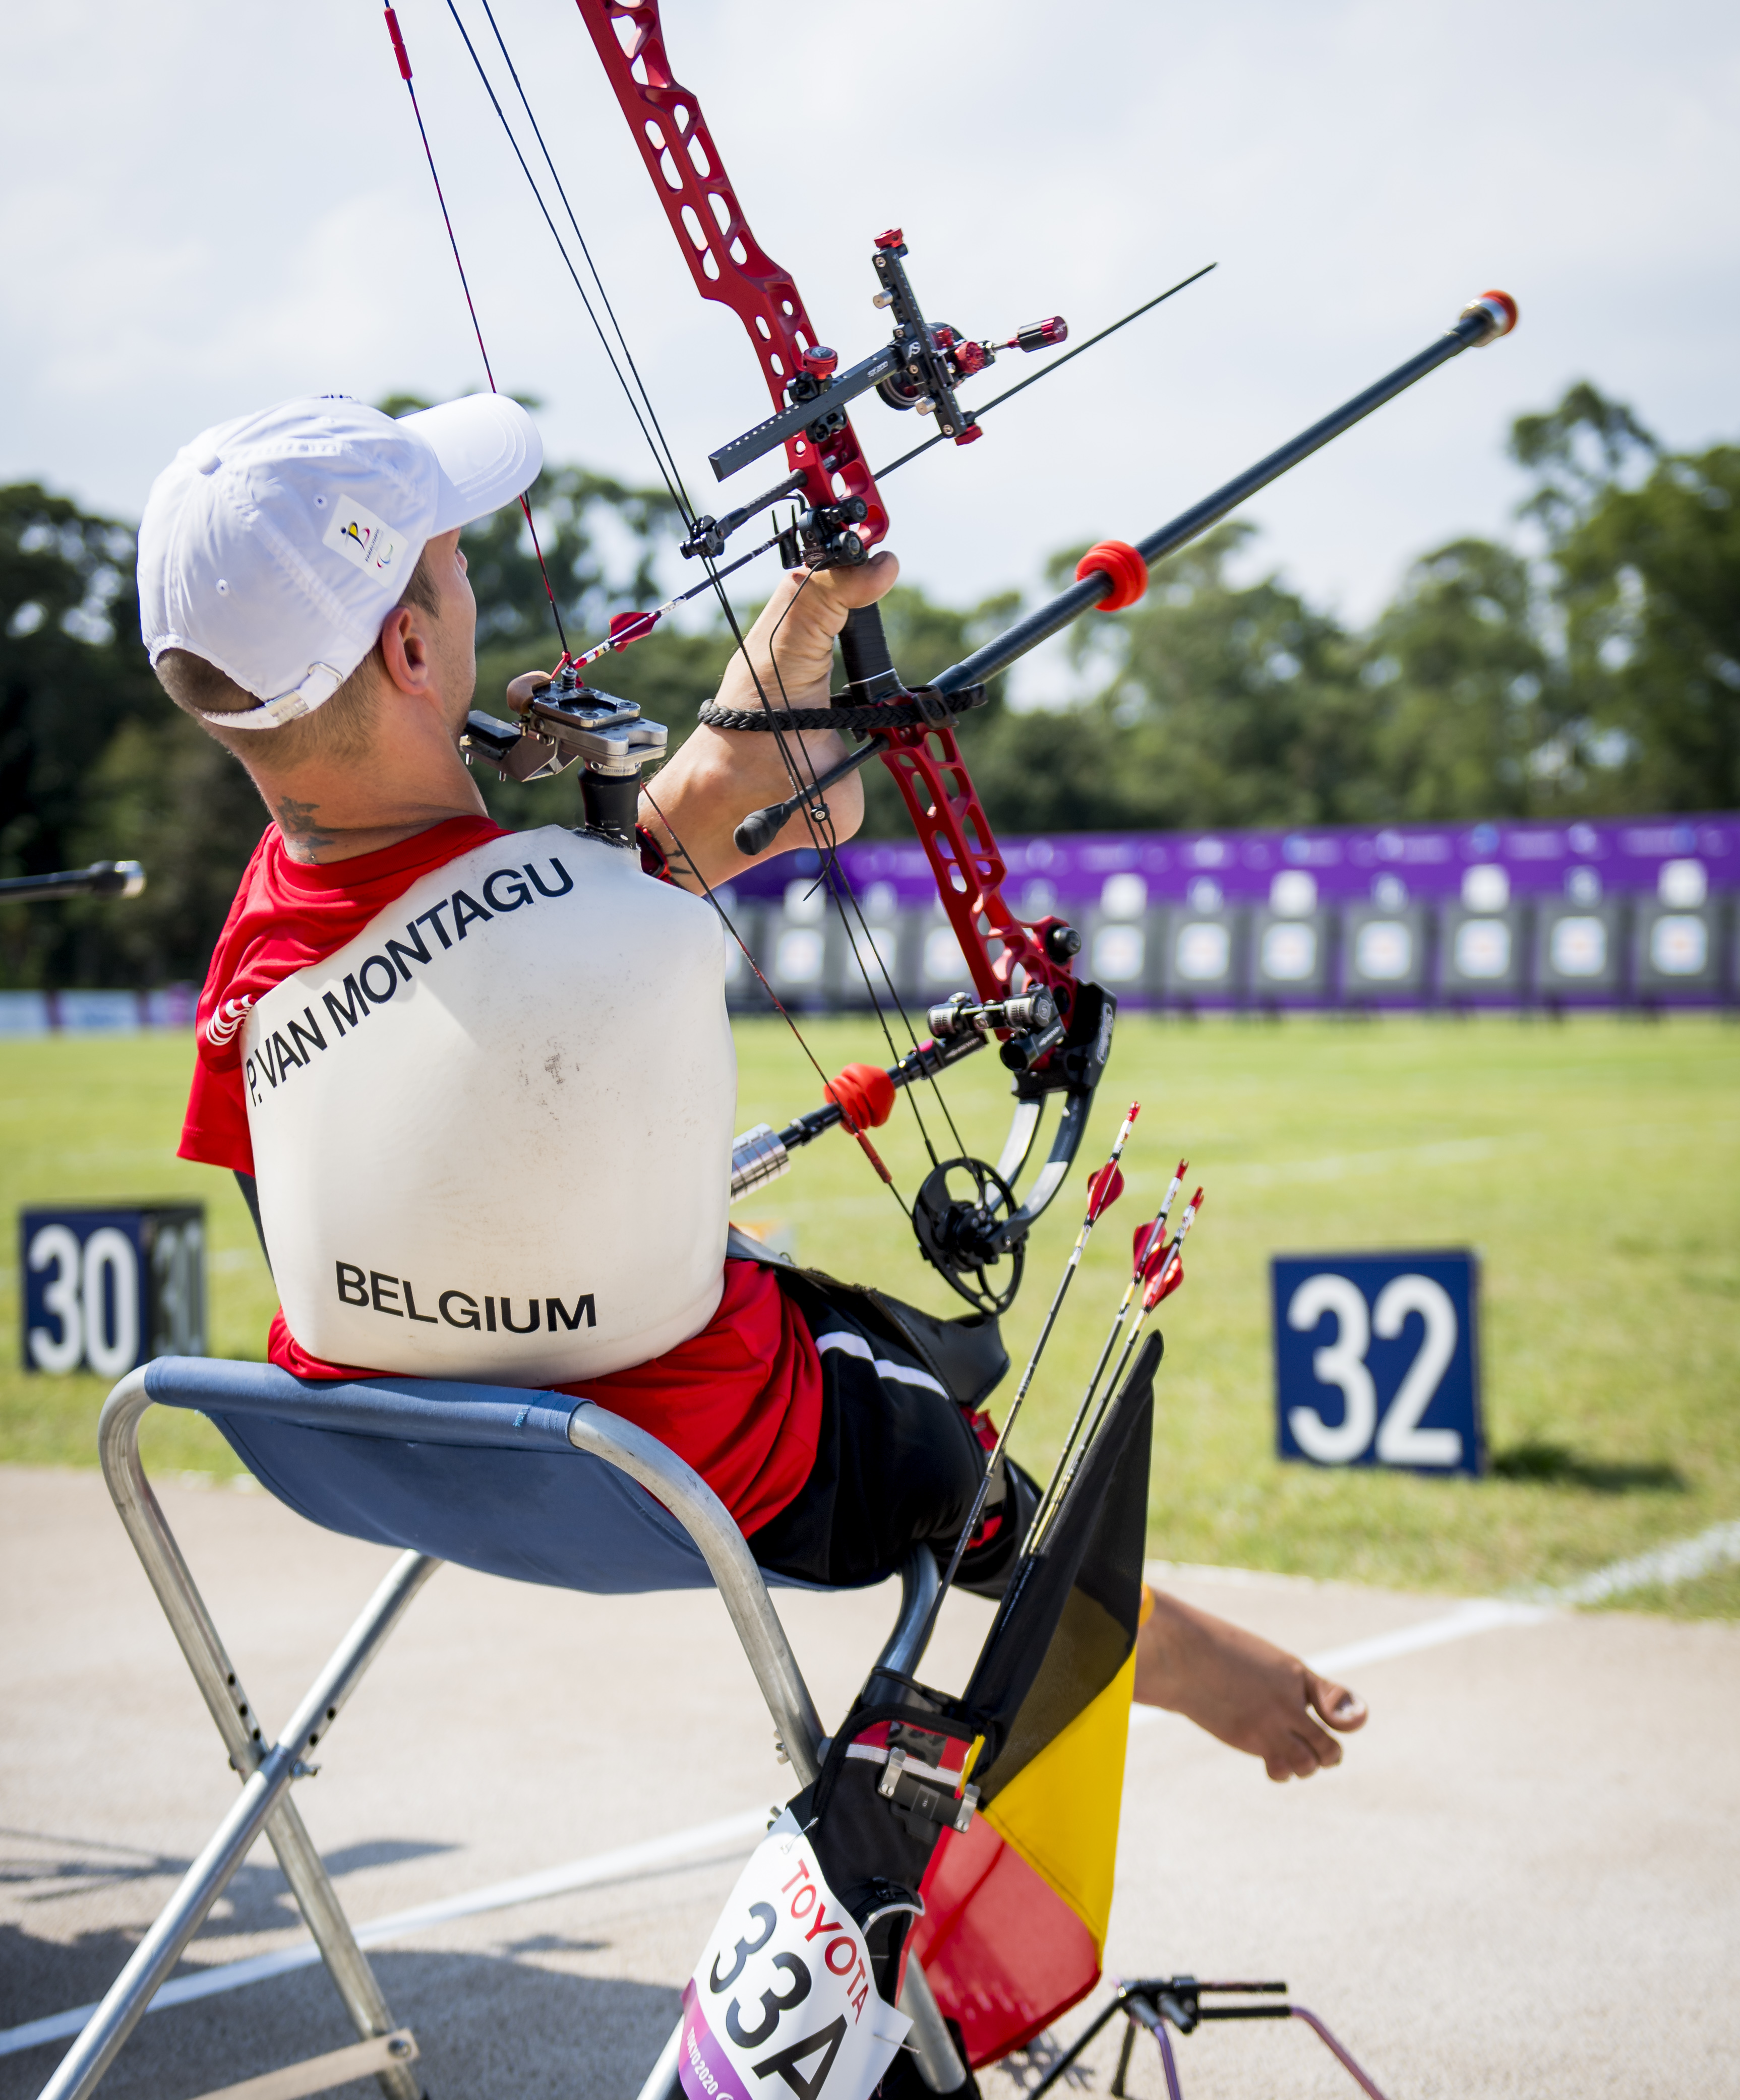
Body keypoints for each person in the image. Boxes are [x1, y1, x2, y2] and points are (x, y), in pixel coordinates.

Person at [140, 389, 1365, 1781]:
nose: (479, 576)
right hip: (713, 1474)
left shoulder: (254, 951)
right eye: (456, 560)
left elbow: (506, 948)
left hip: (385, 1455)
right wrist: (747, 746)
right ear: (414, 648)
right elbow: (716, 850)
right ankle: (1180, 1657)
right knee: (947, 1423)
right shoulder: (612, 936)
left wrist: (758, 690)